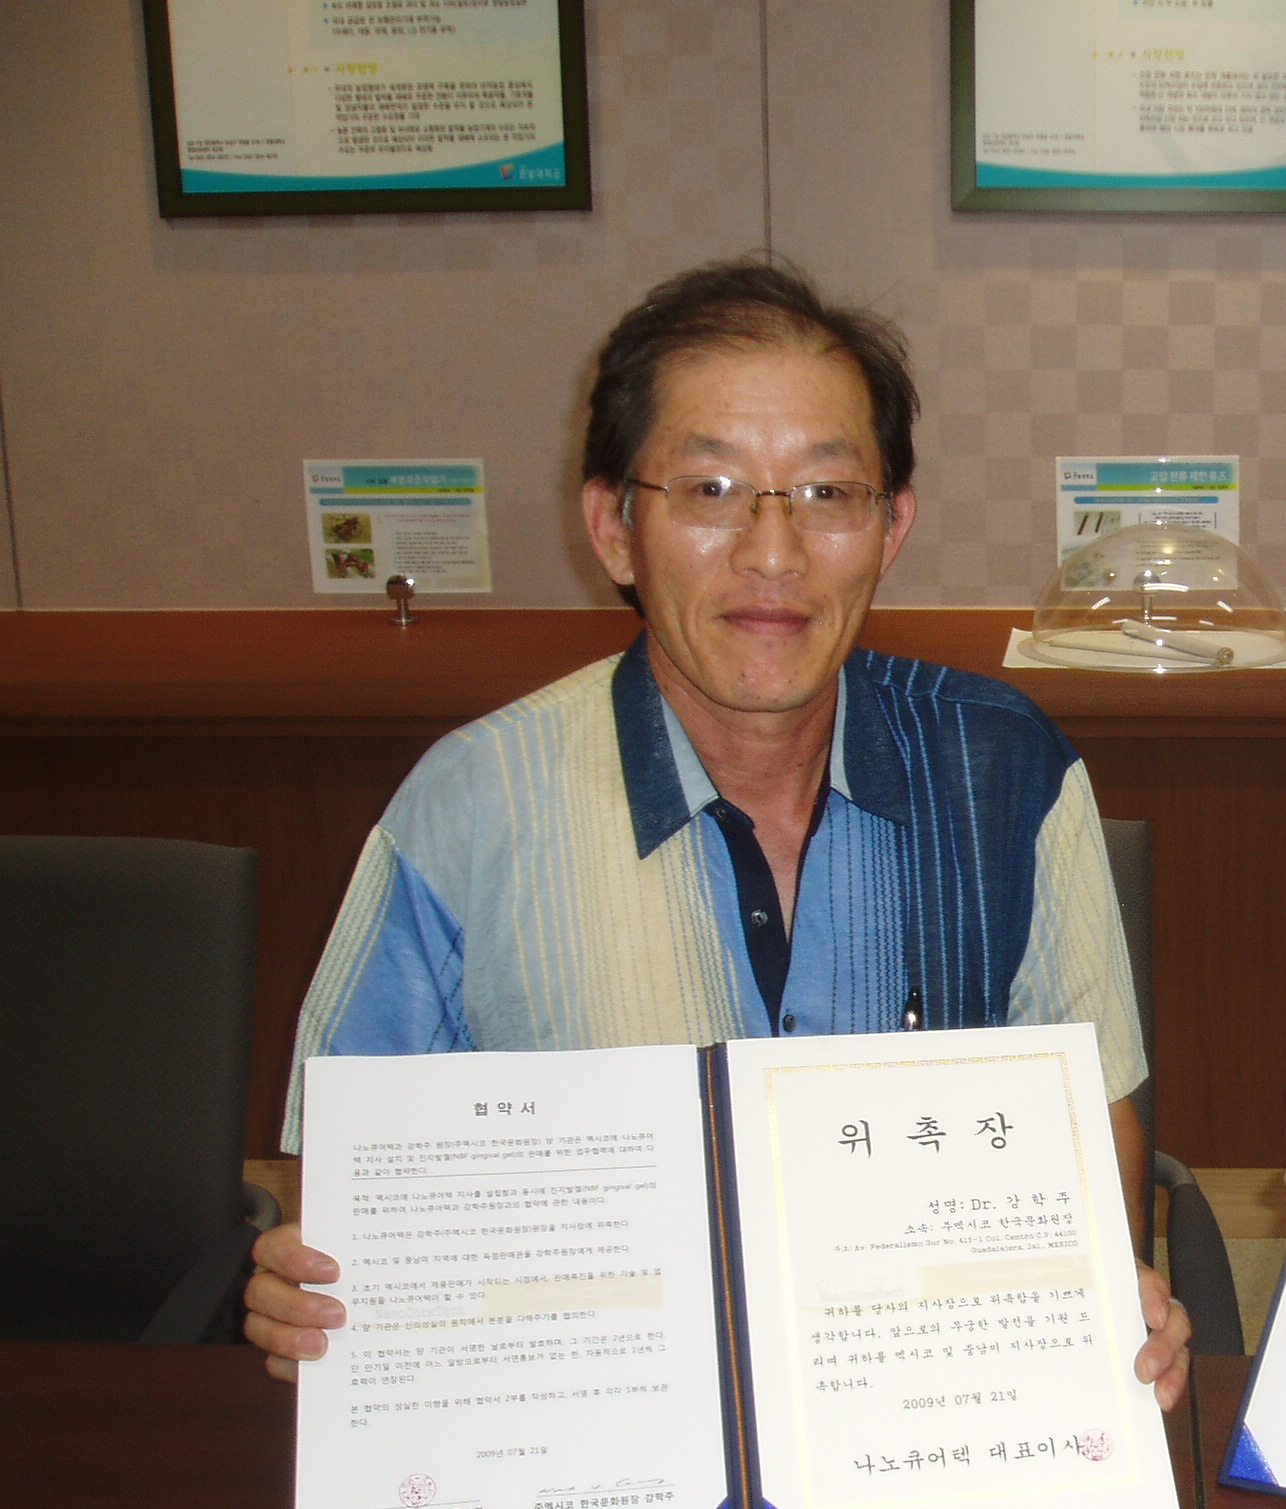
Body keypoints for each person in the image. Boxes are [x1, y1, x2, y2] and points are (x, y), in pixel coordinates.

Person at [246, 257, 1190, 1410]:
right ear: (612, 527)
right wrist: (310, 1296)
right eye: (710, 489)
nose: (772, 551)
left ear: (890, 527)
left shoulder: (1006, 770)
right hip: (598, 1442)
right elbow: (349, 1201)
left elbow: (1094, 1129)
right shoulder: (470, 808)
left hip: (917, 1432)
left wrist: (1107, 1310)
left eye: (827, 493)